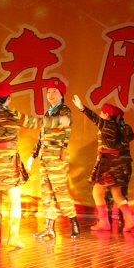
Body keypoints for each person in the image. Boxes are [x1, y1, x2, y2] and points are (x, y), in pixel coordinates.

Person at [0, 81, 69, 248]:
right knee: (14, 200)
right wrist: (59, 120)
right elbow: (38, 122)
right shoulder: (14, 115)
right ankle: (13, 238)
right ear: (9, 99)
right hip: (9, 162)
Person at [71, 96, 134, 232]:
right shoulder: (118, 127)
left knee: (97, 192)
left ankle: (104, 222)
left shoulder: (107, 124)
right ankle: (129, 219)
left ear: (106, 115)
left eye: (101, 112)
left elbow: (94, 117)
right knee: (117, 193)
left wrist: (81, 107)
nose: (100, 114)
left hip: (107, 161)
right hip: (116, 161)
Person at [28, 78, 81, 239]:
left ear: (61, 95)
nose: (51, 94)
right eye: (49, 92)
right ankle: (49, 227)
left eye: (55, 92)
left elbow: (59, 125)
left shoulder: (64, 111)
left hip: (57, 155)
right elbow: (41, 137)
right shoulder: (48, 113)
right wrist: (33, 155)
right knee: (46, 192)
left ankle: (73, 221)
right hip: (45, 156)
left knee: (60, 190)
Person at [106, 111, 134, 230]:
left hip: (123, 164)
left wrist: (119, 127)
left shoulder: (125, 128)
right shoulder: (106, 128)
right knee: (108, 192)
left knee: (122, 191)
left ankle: (123, 218)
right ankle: (107, 218)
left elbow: (128, 138)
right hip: (110, 163)